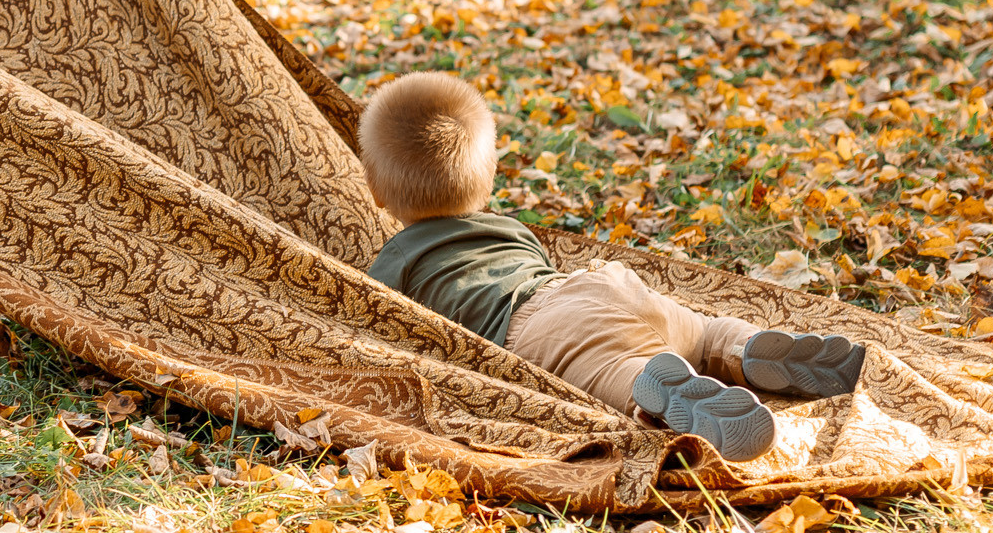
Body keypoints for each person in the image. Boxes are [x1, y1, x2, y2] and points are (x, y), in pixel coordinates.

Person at [359, 73, 868, 461]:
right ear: (487, 177)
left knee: (607, 367)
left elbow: (367, 318)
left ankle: (658, 383)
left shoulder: (401, 256)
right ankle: (745, 346)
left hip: (537, 329)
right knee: (700, 332)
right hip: (596, 286)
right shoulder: (511, 229)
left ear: (377, 191)